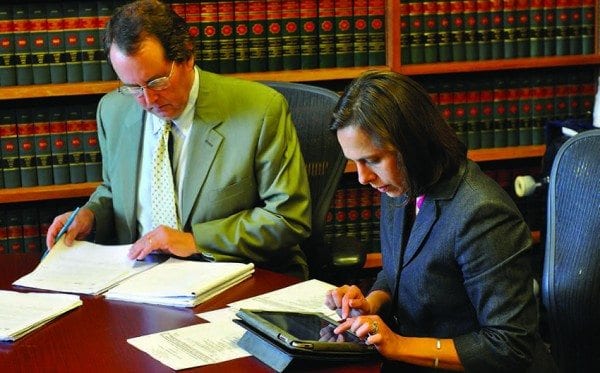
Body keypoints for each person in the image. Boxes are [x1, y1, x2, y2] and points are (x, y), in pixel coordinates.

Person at [45, 0, 311, 279]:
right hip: (138, 279)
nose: (148, 100)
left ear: (186, 57)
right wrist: (91, 217)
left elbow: (287, 218)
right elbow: (115, 191)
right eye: (133, 87)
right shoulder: (112, 111)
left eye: (157, 82)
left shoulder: (261, 111)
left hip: (233, 276)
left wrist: (195, 240)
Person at [324, 71, 557, 372]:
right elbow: (398, 272)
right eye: (354, 162)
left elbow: (510, 346)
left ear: (413, 144)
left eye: (372, 159)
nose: (362, 177)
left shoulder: (482, 213)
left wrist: (399, 345)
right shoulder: (400, 187)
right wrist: (371, 303)